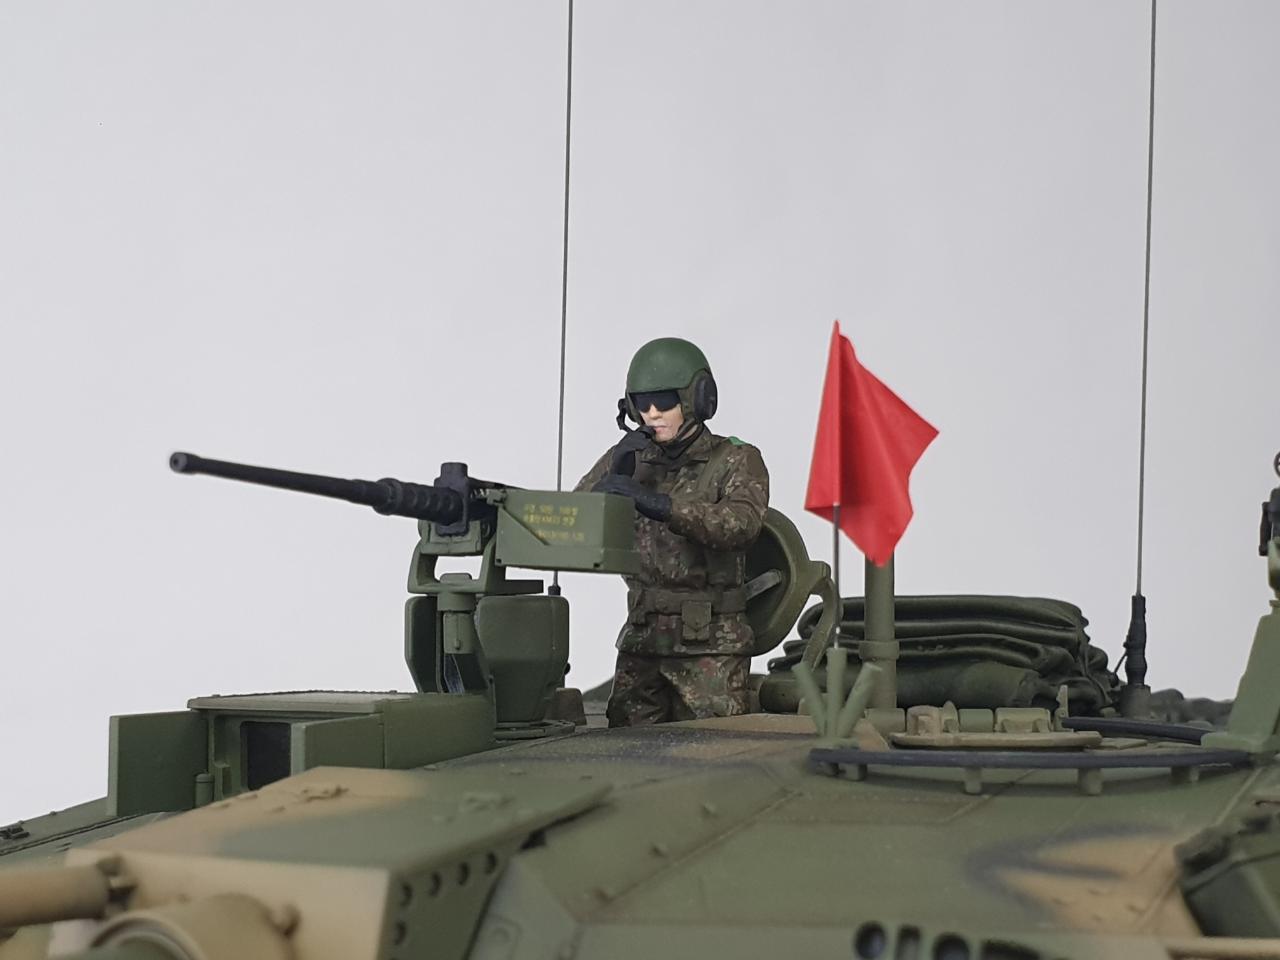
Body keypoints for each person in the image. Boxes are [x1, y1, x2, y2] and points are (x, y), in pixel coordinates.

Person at [575, 337, 769, 727]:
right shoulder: (629, 457)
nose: (652, 414)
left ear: (696, 400)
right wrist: (614, 477)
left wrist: (662, 506)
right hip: (643, 640)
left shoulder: (735, 459)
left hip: (710, 646)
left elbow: (741, 525)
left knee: (713, 748)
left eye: (664, 402)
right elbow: (575, 524)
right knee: (621, 748)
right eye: (642, 404)